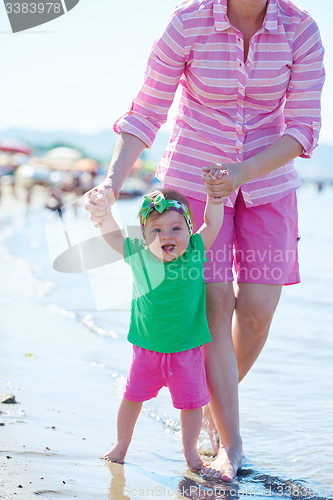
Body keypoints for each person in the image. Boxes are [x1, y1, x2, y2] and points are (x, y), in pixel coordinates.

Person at [84, 0, 325, 482]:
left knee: (256, 312)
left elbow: (303, 127)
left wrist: (243, 172)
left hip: (268, 184)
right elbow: (147, 110)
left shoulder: (301, 29)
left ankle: (212, 404)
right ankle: (230, 446)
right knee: (215, 306)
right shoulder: (188, 21)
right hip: (192, 188)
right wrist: (111, 181)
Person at [91, 178, 225, 471]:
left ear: (189, 230)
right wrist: (104, 213)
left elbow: (212, 224)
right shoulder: (139, 255)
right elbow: (112, 236)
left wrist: (215, 200)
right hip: (146, 350)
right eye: (157, 230)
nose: (167, 235)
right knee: (131, 398)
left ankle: (190, 451)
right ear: (144, 235)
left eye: (176, 228)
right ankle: (122, 443)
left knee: (190, 404)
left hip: (186, 350)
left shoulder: (194, 251)